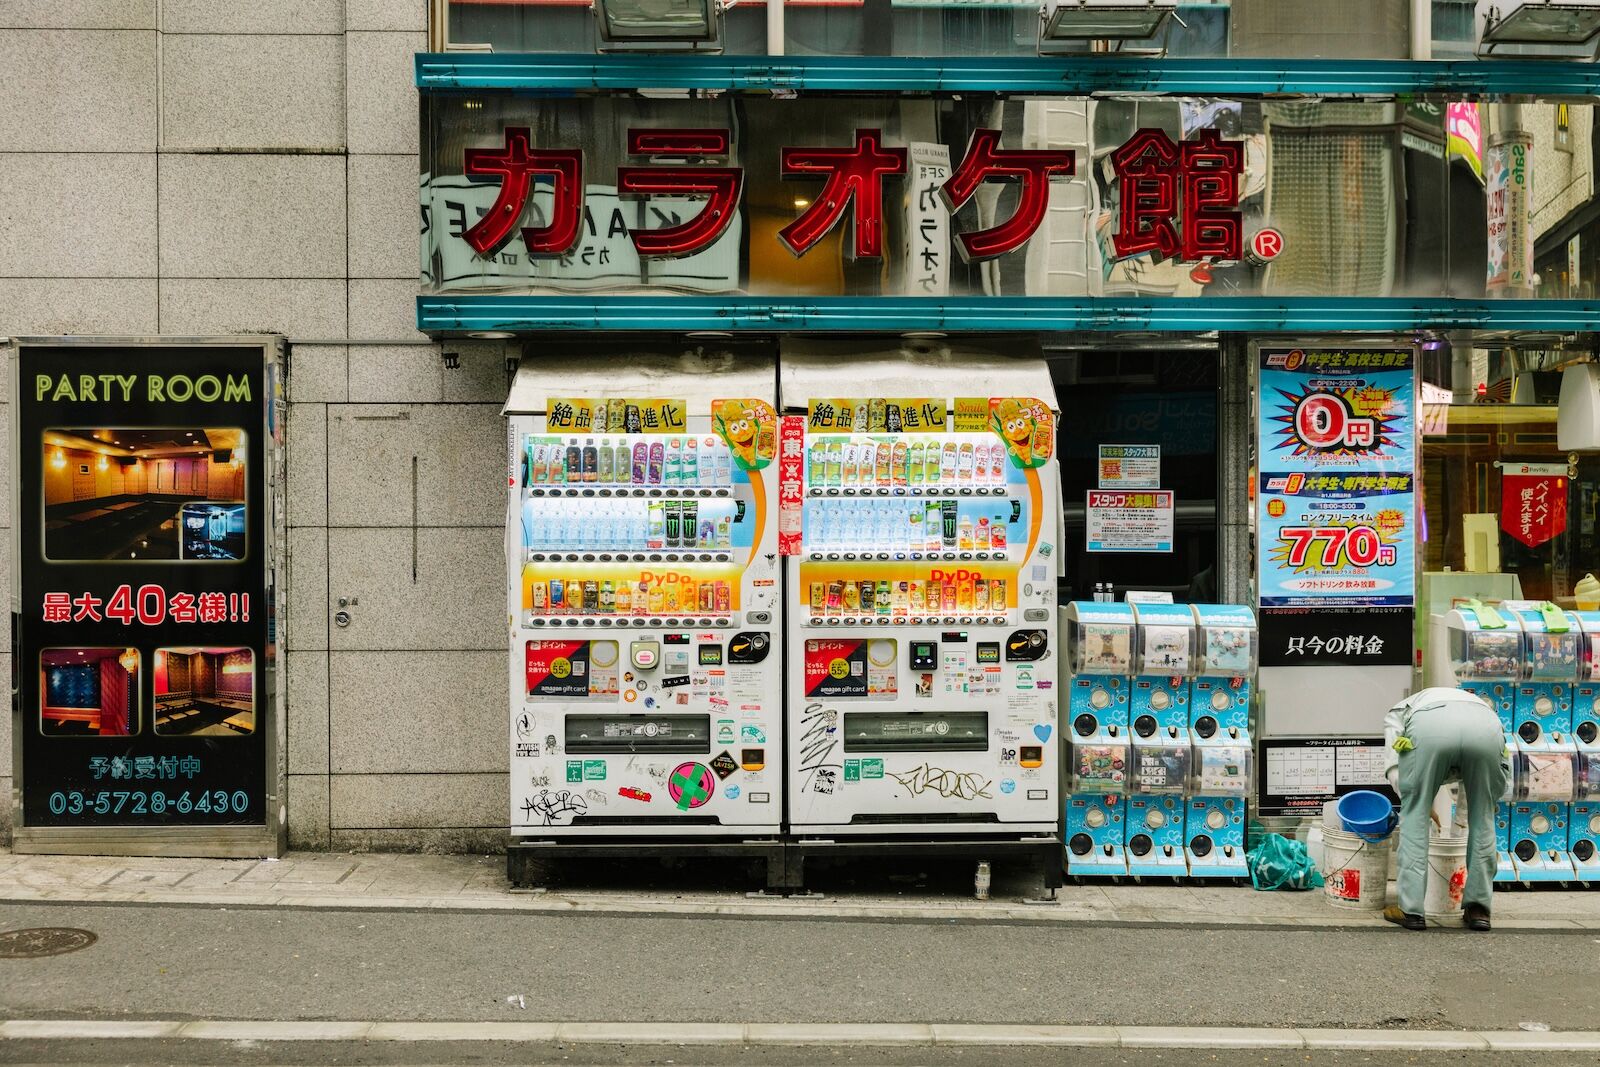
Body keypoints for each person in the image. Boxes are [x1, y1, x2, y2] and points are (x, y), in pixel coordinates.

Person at [1381, 687, 1511, 932]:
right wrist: (1464, 819)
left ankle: (1411, 911)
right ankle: (1478, 910)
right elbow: (1492, 787)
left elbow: (1395, 766)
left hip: (1430, 727)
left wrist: (1418, 799)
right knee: (1483, 818)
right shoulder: (1478, 705)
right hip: (1485, 728)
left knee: (1414, 818)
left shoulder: (1399, 711)